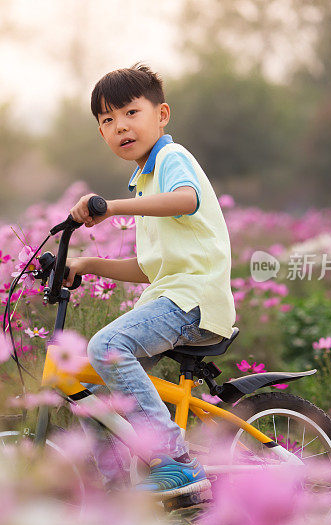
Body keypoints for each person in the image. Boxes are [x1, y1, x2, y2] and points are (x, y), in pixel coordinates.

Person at [64, 64, 236, 498]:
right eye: (107, 120)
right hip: (170, 295)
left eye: (129, 112)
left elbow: (188, 199)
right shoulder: (143, 181)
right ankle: (117, 495)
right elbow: (149, 268)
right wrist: (87, 264)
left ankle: (175, 462)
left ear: (162, 115)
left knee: (107, 347)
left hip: (192, 299)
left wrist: (113, 208)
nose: (120, 125)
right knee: (101, 392)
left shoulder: (171, 160)